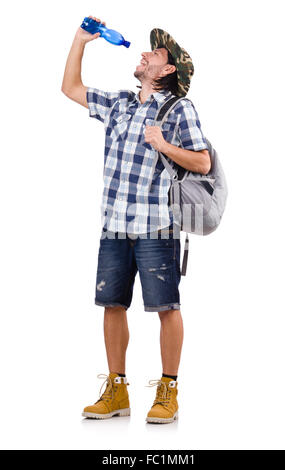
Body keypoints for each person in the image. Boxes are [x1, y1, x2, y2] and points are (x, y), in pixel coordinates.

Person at [61, 16, 211, 424]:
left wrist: (163, 144)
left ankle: (168, 391)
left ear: (167, 70)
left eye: (156, 53)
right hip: (114, 224)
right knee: (112, 304)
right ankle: (117, 390)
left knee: (166, 307)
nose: (145, 53)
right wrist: (80, 41)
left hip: (157, 225)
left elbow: (202, 160)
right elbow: (71, 88)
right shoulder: (122, 103)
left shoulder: (179, 109)